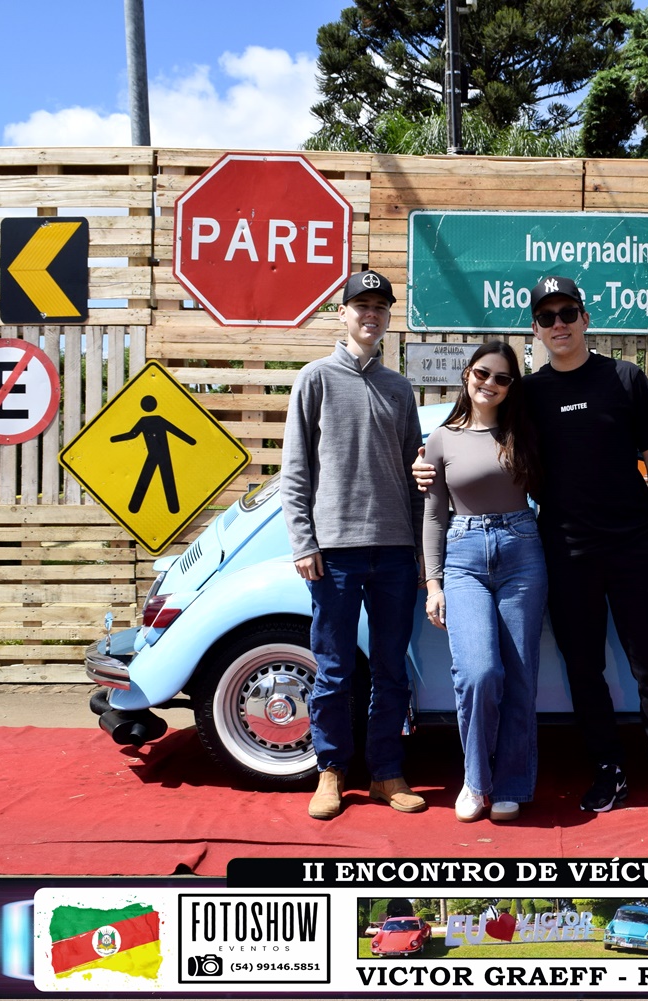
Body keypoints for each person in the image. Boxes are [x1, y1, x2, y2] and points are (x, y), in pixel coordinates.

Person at [416, 275, 648, 820]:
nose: (559, 324)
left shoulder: (625, 377)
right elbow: (478, 430)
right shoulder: (530, 393)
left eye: (568, 313)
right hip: (564, 552)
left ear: (585, 318)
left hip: (632, 547)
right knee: (584, 669)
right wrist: (425, 463)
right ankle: (608, 771)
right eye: (547, 317)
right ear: (536, 329)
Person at [282, 270, 427, 819]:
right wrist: (304, 542)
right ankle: (331, 771)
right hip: (335, 552)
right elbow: (295, 470)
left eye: (380, 307)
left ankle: (386, 772)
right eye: (361, 305)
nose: (371, 314)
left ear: (388, 317)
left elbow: (417, 476)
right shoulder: (314, 379)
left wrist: (421, 551)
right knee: (335, 670)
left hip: (395, 552)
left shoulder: (399, 388)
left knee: (391, 670)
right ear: (341, 313)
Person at [421, 341, 547, 823]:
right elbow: (434, 515)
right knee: (478, 673)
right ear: (467, 374)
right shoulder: (441, 439)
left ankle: (512, 783)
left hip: (522, 551)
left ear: (512, 387)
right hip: (463, 557)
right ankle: (475, 781)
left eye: (501, 378)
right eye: (482, 373)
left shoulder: (524, 431)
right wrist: (433, 584)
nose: (489, 383)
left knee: (520, 675)